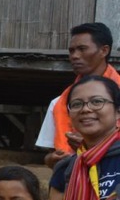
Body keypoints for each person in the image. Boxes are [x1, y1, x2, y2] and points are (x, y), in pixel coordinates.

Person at [38, 23, 120, 167]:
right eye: (71, 51)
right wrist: (53, 160)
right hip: (70, 183)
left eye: (82, 49)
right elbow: (50, 156)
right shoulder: (58, 104)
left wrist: (90, 145)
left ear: (104, 50)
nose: (74, 56)